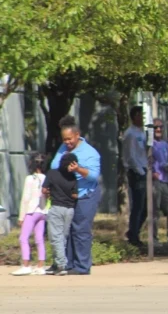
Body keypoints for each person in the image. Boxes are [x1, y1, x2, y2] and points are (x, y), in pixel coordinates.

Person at [47, 115, 102, 275]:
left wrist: (78, 169)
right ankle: (66, 264)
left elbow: (93, 176)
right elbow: (54, 165)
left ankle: (82, 266)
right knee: (66, 230)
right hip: (66, 196)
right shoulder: (63, 149)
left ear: (77, 135)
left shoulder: (90, 153)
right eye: (64, 140)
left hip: (86, 195)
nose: (67, 143)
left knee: (81, 229)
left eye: (69, 139)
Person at [11, 152, 49, 276]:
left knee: (23, 238)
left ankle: (26, 265)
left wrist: (21, 216)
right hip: (42, 212)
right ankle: (40, 266)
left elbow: (25, 198)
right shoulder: (46, 178)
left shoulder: (29, 178)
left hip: (31, 211)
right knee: (39, 239)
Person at [43, 153, 79, 276]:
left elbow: (44, 189)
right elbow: (75, 195)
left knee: (55, 238)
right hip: (69, 210)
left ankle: (61, 265)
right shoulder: (73, 177)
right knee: (62, 238)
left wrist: (50, 192)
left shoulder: (52, 173)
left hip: (56, 208)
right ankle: (56, 264)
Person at [123, 105, 148, 246]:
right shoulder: (130, 134)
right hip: (137, 172)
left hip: (143, 168)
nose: (142, 119)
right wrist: (141, 172)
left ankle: (134, 231)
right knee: (138, 205)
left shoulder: (142, 132)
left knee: (146, 206)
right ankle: (133, 235)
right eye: (140, 116)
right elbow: (131, 156)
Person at [151, 118, 168, 246]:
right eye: (156, 128)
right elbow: (146, 161)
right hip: (155, 181)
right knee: (154, 211)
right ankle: (153, 239)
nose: (158, 129)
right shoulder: (150, 145)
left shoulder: (166, 145)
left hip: (165, 180)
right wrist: (151, 173)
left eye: (160, 127)